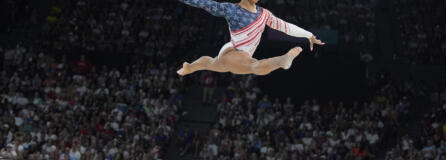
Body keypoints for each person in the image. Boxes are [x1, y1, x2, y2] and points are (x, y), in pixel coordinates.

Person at [176, 0, 325, 76]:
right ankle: (282, 60)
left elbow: (285, 27)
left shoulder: (264, 14)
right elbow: (205, 3)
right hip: (234, 52)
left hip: (236, 53)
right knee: (254, 66)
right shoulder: (232, 10)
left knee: (210, 62)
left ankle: (189, 67)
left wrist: (309, 35)